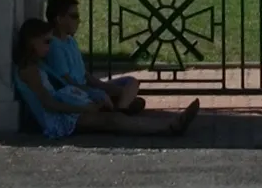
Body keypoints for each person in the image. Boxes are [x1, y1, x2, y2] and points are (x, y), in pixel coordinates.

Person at [13, 18, 198, 140]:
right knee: (113, 121)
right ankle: (167, 127)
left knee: (113, 118)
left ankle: (168, 125)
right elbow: (49, 104)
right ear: (31, 42)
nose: (49, 46)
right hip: (58, 120)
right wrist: (83, 107)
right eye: (46, 42)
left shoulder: (38, 66)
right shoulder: (30, 71)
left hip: (65, 111)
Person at [44, 0, 144, 114]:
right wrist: (95, 92)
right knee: (116, 94)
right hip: (77, 93)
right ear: (59, 19)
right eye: (74, 16)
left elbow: (84, 74)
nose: (78, 21)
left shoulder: (70, 41)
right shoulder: (55, 47)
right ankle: (120, 109)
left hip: (88, 87)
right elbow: (66, 83)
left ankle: (120, 107)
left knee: (131, 82)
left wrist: (102, 86)